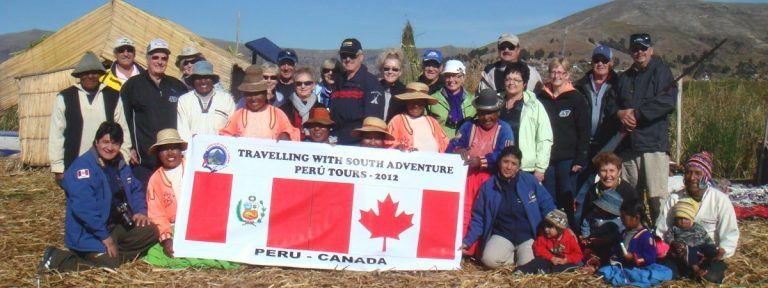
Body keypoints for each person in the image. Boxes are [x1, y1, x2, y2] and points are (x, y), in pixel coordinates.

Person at [38, 122, 157, 272]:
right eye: (105, 142)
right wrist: (105, 238)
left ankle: (108, 254)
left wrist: (140, 211)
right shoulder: (83, 168)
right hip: (90, 232)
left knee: (151, 232)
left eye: (115, 143)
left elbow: (135, 188)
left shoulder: (119, 163)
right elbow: (84, 209)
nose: (109, 147)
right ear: (96, 142)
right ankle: (58, 258)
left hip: (116, 226)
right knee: (110, 264)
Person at [615, 33, 678, 224]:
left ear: (651, 50)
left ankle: (661, 241)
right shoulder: (625, 77)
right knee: (631, 198)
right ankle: (636, 236)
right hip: (629, 148)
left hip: (653, 146)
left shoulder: (661, 71)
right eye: (635, 49)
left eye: (643, 48)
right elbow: (613, 104)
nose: (639, 52)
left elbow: (667, 102)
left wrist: (638, 114)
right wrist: (620, 114)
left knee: (656, 198)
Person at [461, 145, 556, 268]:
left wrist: (561, 226)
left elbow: (547, 204)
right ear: (499, 162)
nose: (509, 167)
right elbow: (479, 217)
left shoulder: (529, 181)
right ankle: (512, 259)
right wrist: (468, 241)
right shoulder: (488, 186)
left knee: (528, 267)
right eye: (505, 162)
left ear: (518, 167)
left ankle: (520, 260)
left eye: (514, 164)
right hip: (502, 234)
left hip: (528, 236)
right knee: (488, 259)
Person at [446, 88, 514, 254]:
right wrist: (458, 150)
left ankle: (481, 248)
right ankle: (463, 248)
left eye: (491, 113)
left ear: (498, 112)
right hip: (468, 179)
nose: (486, 117)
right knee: (465, 211)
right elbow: (451, 146)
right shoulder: (469, 126)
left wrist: (481, 161)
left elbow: (505, 154)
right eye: (482, 113)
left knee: (486, 212)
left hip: (491, 180)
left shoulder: (504, 129)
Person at [655, 151, 738, 283]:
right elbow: (663, 230)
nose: (692, 177)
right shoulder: (675, 199)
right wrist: (672, 248)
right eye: (688, 172)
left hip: (708, 256)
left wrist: (719, 253)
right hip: (679, 255)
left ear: (707, 177)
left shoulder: (720, 200)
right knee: (663, 273)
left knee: (710, 278)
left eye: (698, 173)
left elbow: (729, 235)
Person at [49, 51, 132, 183]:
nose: (90, 76)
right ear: (79, 75)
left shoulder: (113, 96)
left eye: (94, 72)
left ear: (99, 74)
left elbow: (123, 130)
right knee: (80, 201)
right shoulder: (65, 97)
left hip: (107, 163)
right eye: (85, 73)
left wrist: (123, 158)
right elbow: (56, 135)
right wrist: (58, 167)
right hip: (74, 163)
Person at [120, 38, 188, 187]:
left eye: (164, 58)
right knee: (145, 202)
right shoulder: (132, 85)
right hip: (144, 160)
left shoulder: (177, 86)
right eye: (155, 57)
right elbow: (123, 119)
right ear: (147, 58)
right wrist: (129, 147)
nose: (160, 62)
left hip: (171, 159)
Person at [538, 58, 589, 228]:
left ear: (567, 75)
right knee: (548, 199)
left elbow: (584, 130)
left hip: (568, 159)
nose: (556, 76)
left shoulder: (576, 98)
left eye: (560, 72)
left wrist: (580, 158)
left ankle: (571, 235)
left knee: (567, 199)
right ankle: (550, 236)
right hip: (547, 159)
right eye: (553, 72)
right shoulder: (541, 97)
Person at [498, 62, 552, 182]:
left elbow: (544, 138)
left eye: (517, 80)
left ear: (525, 84)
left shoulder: (534, 106)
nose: (511, 83)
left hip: (525, 168)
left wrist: (540, 168)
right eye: (508, 79)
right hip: (498, 164)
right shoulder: (496, 102)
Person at [329, 38, 385, 144]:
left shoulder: (371, 83)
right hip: (335, 143)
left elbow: (372, 122)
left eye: (352, 55)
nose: (348, 59)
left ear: (361, 57)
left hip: (357, 146)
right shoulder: (337, 83)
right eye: (344, 56)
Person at [218, 69, 299, 140]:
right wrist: (232, 138)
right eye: (249, 94)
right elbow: (225, 134)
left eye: (257, 94)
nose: (253, 98)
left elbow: (293, 133)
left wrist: (286, 135)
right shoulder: (238, 115)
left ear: (265, 94)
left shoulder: (278, 114)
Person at [574, 46, 620, 160]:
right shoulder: (579, 86)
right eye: (596, 60)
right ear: (592, 62)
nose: (600, 64)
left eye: (604, 60)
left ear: (611, 63)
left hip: (609, 144)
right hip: (583, 145)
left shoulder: (619, 85)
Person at [577, 152, 638, 233]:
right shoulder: (593, 191)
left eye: (612, 170)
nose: (608, 175)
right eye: (603, 171)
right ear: (598, 173)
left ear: (619, 172)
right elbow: (584, 216)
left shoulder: (627, 191)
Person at [176, 61, 236, 143]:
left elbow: (232, 128)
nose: (203, 81)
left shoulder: (226, 99)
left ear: (212, 80)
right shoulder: (184, 101)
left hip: (220, 151)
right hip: (192, 151)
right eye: (199, 78)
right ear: (193, 80)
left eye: (207, 77)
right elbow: (182, 130)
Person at [664, 198, 720, 280]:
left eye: (686, 219)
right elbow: (669, 237)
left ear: (691, 219)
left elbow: (706, 237)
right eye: (679, 218)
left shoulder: (698, 227)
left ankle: (706, 267)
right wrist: (673, 243)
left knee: (711, 250)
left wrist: (712, 246)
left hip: (701, 247)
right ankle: (695, 269)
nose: (682, 221)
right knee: (690, 250)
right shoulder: (674, 228)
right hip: (686, 249)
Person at [516, 209, 582, 274]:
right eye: (545, 225)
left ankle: (546, 272)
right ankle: (522, 270)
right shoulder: (544, 236)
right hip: (548, 260)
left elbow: (578, 254)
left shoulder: (569, 238)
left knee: (572, 267)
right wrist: (551, 258)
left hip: (563, 263)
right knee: (536, 262)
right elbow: (538, 247)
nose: (546, 229)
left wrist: (567, 260)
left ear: (559, 229)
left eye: (550, 227)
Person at [386, 85, 447, 152]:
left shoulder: (432, 121)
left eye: (420, 102)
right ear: (406, 102)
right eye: (412, 101)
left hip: (434, 161)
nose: (416, 105)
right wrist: (398, 147)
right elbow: (388, 142)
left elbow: (445, 143)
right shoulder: (397, 120)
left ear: (425, 104)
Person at [478, 33, 543, 94]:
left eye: (511, 47)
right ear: (498, 50)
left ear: (518, 50)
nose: (506, 50)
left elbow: (539, 97)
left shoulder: (532, 73)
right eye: (502, 47)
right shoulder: (488, 73)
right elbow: (482, 98)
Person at [428, 59, 476, 139]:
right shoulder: (433, 99)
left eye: (455, 76)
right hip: (439, 145)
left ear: (463, 78)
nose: (451, 80)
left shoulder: (472, 101)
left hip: (464, 147)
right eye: (447, 76)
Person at [579, 189, 625, 269]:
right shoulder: (594, 214)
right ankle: (591, 263)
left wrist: (605, 240)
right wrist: (585, 236)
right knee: (587, 251)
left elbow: (619, 234)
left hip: (608, 246)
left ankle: (600, 265)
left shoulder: (618, 221)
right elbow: (585, 223)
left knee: (608, 255)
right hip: (592, 243)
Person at [378, 49, 406, 122]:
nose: (390, 72)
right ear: (381, 70)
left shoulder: (405, 93)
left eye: (395, 69)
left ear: (400, 72)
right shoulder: (374, 89)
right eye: (386, 69)